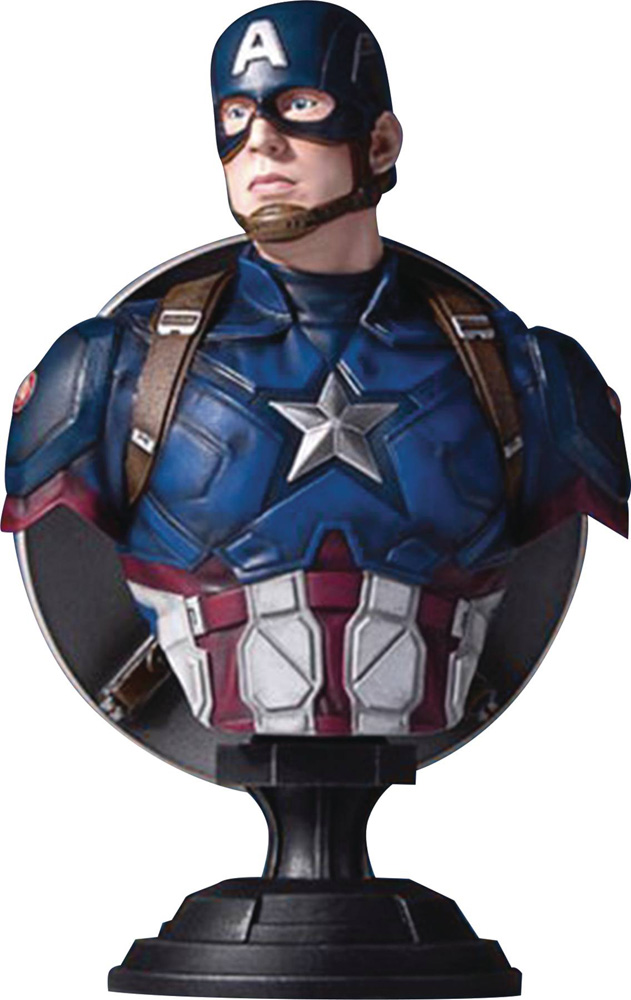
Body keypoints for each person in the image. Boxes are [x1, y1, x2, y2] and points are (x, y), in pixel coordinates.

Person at [2, 1, 629, 738]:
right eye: (236, 115)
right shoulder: (112, 371)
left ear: (380, 141)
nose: (261, 141)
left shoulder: (521, 373)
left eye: (300, 106)